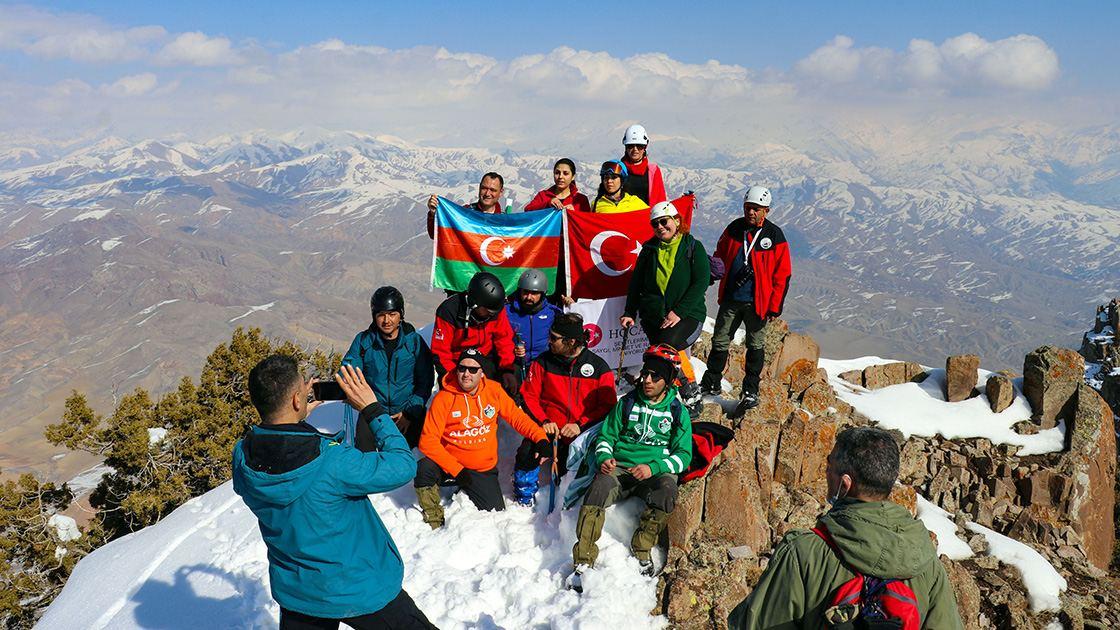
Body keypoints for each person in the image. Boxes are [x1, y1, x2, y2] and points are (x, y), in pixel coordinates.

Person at [232, 358, 435, 629]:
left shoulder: (242, 456)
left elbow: (282, 457)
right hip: (358, 587)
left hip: (299, 592)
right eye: (303, 387)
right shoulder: (332, 461)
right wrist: (373, 410)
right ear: (295, 399)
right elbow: (402, 465)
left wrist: (297, 419)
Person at [728, 426, 963, 630]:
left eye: (829, 465)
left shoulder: (803, 553)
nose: (826, 472)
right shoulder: (925, 560)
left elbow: (757, 622)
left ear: (845, 483)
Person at [569, 345, 692, 591]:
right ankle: (583, 560)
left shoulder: (677, 411)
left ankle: (643, 548)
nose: (646, 380)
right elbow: (606, 437)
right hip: (620, 468)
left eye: (655, 376)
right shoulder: (626, 403)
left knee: (667, 490)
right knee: (598, 488)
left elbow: (683, 456)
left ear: (667, 380)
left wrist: (653, 467)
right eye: (645, 374)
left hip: (653, 474)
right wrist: (604, 456)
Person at [414, 348, 550, 527]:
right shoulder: (443, 398)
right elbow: (428, 441)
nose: (466, 374)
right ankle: (433, 519)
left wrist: (540, 438)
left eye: (472, 370)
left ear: (482, 372)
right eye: (462, 368)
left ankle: (471, 488)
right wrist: (457, 470)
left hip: (480, 470)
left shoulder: (493, 391)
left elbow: (517, 418)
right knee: (423, 469)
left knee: (495, 514)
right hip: (450, 466)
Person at [701, 186, 792, 419]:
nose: (750, 212)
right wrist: (710, 274)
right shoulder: (733, 229)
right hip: (732, 298)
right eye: (748, 208)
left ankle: (750, 390)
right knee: (720, 341)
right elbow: (720, 255)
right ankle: (710, 384)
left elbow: (782, 274)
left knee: (755, 346)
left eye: (756, 209)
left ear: (766, 211)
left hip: (758, 303)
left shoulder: (774, 236)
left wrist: (775, 305)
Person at [511, 313, 617, 506]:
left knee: (574, 473)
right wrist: (543, 421)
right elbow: (529, 396)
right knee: (527, 451)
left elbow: (608, 406)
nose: (548, 341)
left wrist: (580, 425)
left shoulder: (599, 367)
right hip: (549, 428)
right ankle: (523, 498)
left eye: (554, 338)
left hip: (579, 434)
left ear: (571, 342)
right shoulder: (542, 362)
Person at [620, 201, 708, 415]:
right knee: (660, 354)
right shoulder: (649, 249)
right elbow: (636, 284)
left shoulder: (692, 246)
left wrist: (679, 311)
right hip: (655, 317)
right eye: (655, 224)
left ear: (677, 221)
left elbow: (701, 281)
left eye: (664, 221)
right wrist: (629, 312)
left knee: (665, 348)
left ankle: (690, 392)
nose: (660, 227)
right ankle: (662, 394)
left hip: (688, 315)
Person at [342, 286, 434, 448]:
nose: (387, 320)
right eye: (381, 315)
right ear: (374, 316)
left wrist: (409, 414)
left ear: (401, 315)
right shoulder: (364, 342)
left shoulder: (414, 343)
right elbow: (348, 372)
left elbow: (425, 382)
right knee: (365, 456)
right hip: (372, 411)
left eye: (392, 314)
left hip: (407, 411)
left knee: (415, 456)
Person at [430, 271, 519, 396]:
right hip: (457, 364)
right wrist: (454, 379)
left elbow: (504, 340)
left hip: (485, 359)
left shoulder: (494, 309)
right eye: (487, 311)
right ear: (474, 304)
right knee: (456, 398)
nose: (491, 315)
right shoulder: (449, 311)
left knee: (503, 388)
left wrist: (507, 370)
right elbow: (441, 353)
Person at [506, 269, 562, 371]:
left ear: (542, 293)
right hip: (516, 365)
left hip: (543, 366)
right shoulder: (507, 312)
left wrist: (572, 306)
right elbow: (499, 340)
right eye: (525, 292)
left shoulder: (552, 313)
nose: (529, 297)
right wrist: (511, 349)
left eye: (534, 293)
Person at [426, 171, 505, 238]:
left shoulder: (505, 222)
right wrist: (433, 214)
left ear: (501, 192)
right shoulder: (464, 213)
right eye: (484, 188)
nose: (487, 193)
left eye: (492, 190)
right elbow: (438, 235)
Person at [619, 124, 667, 206]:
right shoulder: (617, 169)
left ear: (645, 147)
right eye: (630, 146)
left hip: (646, 217)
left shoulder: (653, 171)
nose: (635, 150)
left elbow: (660, 199)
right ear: (626, 147)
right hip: (624, 217)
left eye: (639, 146)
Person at [525, 158, 591, 213]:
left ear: (573, 177)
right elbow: (527, 210)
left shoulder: (580, 199)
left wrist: (574, 213)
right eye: (557, 173)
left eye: (565, 173)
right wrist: (548, 204)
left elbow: (587, 223)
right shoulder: (543, 196)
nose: (560, 176)